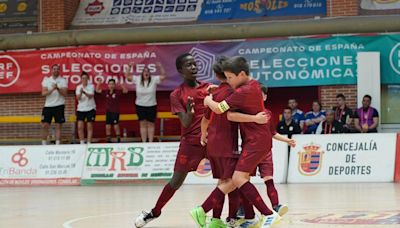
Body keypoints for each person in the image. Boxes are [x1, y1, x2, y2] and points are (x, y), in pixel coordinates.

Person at [203, 56, 294, 228]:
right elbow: (231, 114)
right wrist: (221, 89)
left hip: (256, 141)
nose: (228, 81)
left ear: (242, 74)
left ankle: (268, 213)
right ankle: (256, 215)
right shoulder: (252, 85)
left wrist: (208, 99)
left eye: (230, 78)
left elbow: (219, 109)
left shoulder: (243, 91)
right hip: (255, 140)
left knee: (238, 178)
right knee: (240, 179)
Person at [134, 53, 211, 228]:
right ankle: (154, 212)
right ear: (180, 70)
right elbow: (184, 122)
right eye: (189, 65)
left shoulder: (208, 88)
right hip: (190, 143)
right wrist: (190, 113)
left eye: (195, 64)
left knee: (229, 177)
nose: (193, 67)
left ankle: (236, 214)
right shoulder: (177, 94)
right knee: (176, 181)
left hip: (211, 140)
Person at [193, 57, 268, 228]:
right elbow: (225, 112)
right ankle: (230, 217)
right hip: (230, 144)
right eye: (229, 77)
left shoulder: (215, 93)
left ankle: (219, 218)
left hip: (213, 143)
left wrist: (203, 135)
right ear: (226, 76)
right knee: (236, 180)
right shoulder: (235, 91)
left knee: (230, 181)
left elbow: (205, 119)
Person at [125, 63, 166, 142]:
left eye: (147, 72)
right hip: (140, 105)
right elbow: (127, 76)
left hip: (151, 105)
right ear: (142, 73)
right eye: (144, 71)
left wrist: (160, 67)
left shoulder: (154, 79)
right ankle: (144, 142)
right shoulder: (137, 79)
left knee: (151, 123)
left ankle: (150, 142)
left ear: (149, 74)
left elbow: (163, 76)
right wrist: (129, 66)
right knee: (142, 123)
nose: (146, 73)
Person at [41, 64, 68, 145]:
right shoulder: (46, 80)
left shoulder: (63, 80)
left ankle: (57, 144)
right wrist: (53, 89)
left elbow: (65, 93)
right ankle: (43, 144)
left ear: (59, 70)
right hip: (48, 106)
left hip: (59, 105)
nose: (55, 70)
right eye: (54, 69)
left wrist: (58, 88)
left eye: (57, 69)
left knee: (58, 126)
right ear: (51, 70)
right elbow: (43, 93)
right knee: (45, 125)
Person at [95, 79, 128, 143]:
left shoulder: (117, 92)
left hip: (115, 112)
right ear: (108, 85)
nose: (111, 85)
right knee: (107, 126)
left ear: (114, 85)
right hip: (108, 112)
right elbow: (97, 90)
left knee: (116, 125)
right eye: (110, 84)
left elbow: (126, 91)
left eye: (112, 84)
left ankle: (118, 139)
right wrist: (99, 83)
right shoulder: (106, 92)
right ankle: (108, 140)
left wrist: (121, 85)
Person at [75, 72, 96, 144]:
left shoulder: (91, 86)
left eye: (86, 78)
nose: (84, 79)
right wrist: (81, 92)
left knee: (89, 126)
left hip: (90, 108)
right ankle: (82, 142)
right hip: (81, 109)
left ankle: (89, 142)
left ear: (88, 79)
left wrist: (84, 92)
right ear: (81, 79)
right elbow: (78, 98)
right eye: (83, 78)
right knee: (80, 126)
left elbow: (91, 96)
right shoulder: (78, 87)